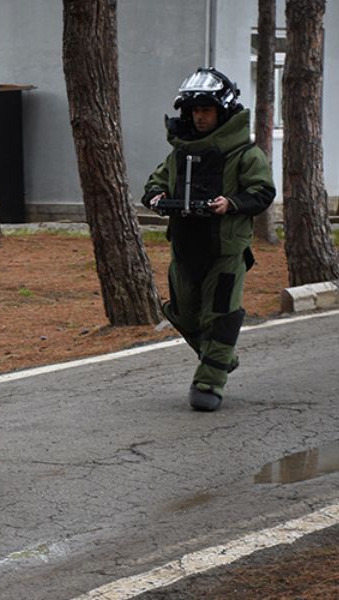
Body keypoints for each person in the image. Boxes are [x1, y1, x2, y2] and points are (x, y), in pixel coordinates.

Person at [142, 67, 275, 412]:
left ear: (223, 112)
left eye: (207, 110)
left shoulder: (245, 155)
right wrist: (156, 196)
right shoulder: (178, 154)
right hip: (185, 248)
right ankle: (221, 354)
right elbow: (155, 182)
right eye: (195, 111)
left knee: (221, 314)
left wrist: (231, 203)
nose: (200, 117)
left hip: (225, 250)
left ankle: (208, 383)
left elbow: (262, 192)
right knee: (183, 313)